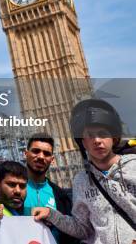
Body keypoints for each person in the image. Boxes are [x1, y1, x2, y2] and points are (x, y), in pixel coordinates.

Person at [33, 99, 136, 244]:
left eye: (102, 133)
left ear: (114, 137)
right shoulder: (81, 181)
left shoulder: (133, 166)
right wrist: (51, 214)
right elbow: (83, 229)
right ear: (82, 142)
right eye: (90, 135)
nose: (97, 140)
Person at [23, 133, 77, 244]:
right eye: (36, 151)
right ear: (25, 154)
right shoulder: (10, 192)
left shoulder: (62, 196)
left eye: (46, 154)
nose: (41, 157)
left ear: (52, 159)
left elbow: (72, 234)